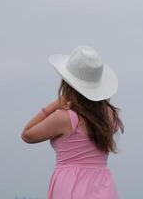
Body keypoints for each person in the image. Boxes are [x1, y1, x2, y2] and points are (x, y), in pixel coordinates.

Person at [20, 45, 124, 199]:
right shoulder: (111, 115)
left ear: (68, 83)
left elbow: (27, 134)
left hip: (71, 184)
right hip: (102, 184)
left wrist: (55, 104)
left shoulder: (65, 118)